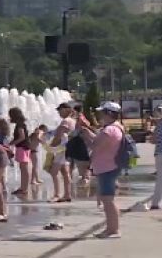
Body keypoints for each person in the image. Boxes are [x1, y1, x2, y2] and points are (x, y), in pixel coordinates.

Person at [79, 102, 124, 239]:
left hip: (107, 168)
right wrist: (89, 133)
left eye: (102, 112)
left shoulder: (109, 130)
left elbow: (95, 146)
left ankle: (113, 230)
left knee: (108, 200)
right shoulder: (116, 128)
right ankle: (111, 229)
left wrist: (86, 137)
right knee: (108, 199)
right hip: (110, 166)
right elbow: (101, 142)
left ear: (109, 114)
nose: (100, 115)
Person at [49, 102, 76, 202]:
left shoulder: (65, 121)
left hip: (61, 149)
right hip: (69, 148)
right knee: (65, 172)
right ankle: (67, 194)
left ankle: (57, 194)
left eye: (59, 110)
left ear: (65, 110)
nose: (58, 112)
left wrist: (51, 147)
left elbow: (58, 136)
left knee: (54, 172)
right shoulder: (73, 120)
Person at [9, 108, 31, 196]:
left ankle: (24, 189)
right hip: (25, 147)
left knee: (24, 168)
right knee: (23, 168)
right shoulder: (21, 124)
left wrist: (12, 143)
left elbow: (22, 137)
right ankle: (23, 187)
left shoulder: (19, 125)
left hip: (22, 147)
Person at [150, 106, 162, 211]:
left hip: (158, 153)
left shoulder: (158, 125)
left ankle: (155, 203)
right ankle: (155, 203)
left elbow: (152, 140)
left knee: (160, 179)